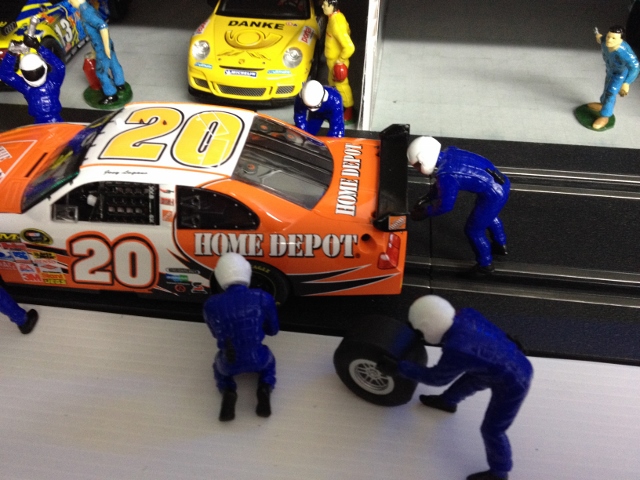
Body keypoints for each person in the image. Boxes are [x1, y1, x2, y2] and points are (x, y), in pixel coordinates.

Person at [378, 295, 533, 480]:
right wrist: (511, 346)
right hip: (501, 364)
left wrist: (400, 368)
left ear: (427, 325)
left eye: (420, 331)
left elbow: (436, 378)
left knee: (493, 430)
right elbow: (493, 334)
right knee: (469, 381)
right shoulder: (467, 314)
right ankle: (447, 402)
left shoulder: (457, 347)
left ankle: (500, 472)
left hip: (515, 382)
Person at [407, 136, 510, 275]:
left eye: (417, 165)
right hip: (501, 184)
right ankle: (500, 244)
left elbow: (445, 206)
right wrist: (427, 197)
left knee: (473, 230)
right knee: (488, 215)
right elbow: (441, 186)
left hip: (494, 194)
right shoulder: (451, 152)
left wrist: (425, 213)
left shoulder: (446, 175)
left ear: (424, 159)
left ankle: (485, 265)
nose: (417, 168)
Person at [203, 253, 279, 422]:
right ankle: (265, 387)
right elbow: (273, 330)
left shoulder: (210, 304)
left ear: (219, 275)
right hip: (258, 358)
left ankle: (228, 391)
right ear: (247, 272)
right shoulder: (263, 297)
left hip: (229, 363)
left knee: (219, 368)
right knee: (269, 363)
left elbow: (215, 334)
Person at [69, 0, 126, 105]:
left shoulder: (86, 12)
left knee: (101, 72)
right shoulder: (88, 8)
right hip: (105, 43)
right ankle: (120, 84)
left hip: (102, 47)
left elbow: (103, 26)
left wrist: (105, 48)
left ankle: (111, 94)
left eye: (71, 0)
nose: (70, 2)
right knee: (113, 63)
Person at [0, 34, 64, 123]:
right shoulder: (53, 82)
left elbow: (5, 74)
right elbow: (59, 66)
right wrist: (38, 47)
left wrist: (11, 53)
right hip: (55, 122)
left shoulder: (26, 87)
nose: (34, 75)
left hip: (41, 124)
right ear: (44, 66)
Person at [588, 25, 639, 130]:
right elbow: (600, 38)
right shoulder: (605, 41)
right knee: (606, 88)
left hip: (620, 74)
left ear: (621, 40)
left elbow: (635, 67)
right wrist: (598, 35)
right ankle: (603, 105)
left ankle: (605, 116)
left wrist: (627, 83)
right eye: (609, 37)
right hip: (610, 70)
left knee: (611, 92)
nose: (609, 40)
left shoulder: (624, 52)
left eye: (613, 38)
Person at [322, 0, 355, 123]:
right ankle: (335, 106)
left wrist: (340, 60)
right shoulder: (334, 18)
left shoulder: (336, 23)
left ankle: (348, 110)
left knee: (342, 86)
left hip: (337, 63)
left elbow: (349, 47)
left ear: (332, 6)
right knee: (332, 84)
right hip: (332, 61)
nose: (322, 7)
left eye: (325, 5)